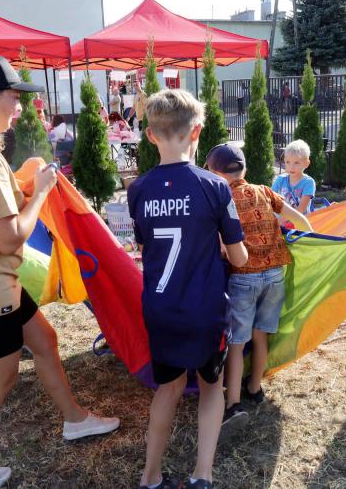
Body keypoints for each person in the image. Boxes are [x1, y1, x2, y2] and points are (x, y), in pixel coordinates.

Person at [0, 54, 119, 489]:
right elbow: (10, 239)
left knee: (45, 340)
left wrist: (18, 187)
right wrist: (41, 194)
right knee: (0, 380)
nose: (20, 106)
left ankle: (75, 419)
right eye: (14, 97)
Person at [127, 89, 248, 489]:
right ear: (197, 131)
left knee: (169, 387)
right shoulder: (215, 187)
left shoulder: (138, 189)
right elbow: (240, 257)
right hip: (205, 310)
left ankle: (150, 476)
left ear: (150, 135)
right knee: (212, 387)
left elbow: (147, 246)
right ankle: (202, 475)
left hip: (161, 309)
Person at [205, 144, 312, 435]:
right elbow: (299, 219)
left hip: (243, 278)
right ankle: (254, 388)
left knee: (237, 343)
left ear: (215, 173)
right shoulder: (265, 190)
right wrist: (315, 239)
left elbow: (220, 245)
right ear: (245, 169)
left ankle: (233, 403)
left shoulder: (220, 198)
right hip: (275, 276)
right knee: (261, 334)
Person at [271, 140, 316, 215]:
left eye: (296, 163)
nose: (291, 167)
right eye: (288, 162)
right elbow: (270, 201)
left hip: (298, 221)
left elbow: (301, 210)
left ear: (306, 163)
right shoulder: (280, 180)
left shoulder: (308, 183)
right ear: (284, 161)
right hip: (280, 219)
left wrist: (281, 220)